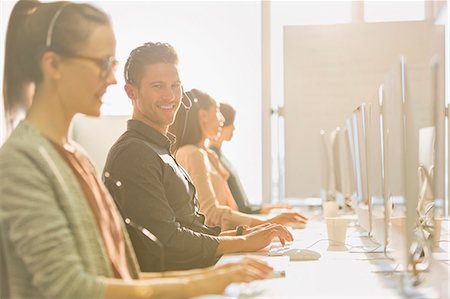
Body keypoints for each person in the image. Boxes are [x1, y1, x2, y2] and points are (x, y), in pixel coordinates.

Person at [0, 2, 273, 298]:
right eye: (102, 63)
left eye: (112, 65)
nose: (112, 78)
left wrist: (216, 274)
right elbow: (71, 288)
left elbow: (119, 271)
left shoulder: (76, 156)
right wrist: (199, 283)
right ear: (53, 65)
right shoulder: (22, 162)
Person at [103, 42, 293, 273]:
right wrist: (242, 242)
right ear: (131, 92)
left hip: (195, 273)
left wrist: (245, 233)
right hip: (177, 284)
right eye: (157, 86)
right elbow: (166, 243)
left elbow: (189, 228)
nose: (170, 95)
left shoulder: (161, 150)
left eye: (175, 85)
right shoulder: (133, 154)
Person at [170, 90, 307, 230]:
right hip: (218, 240)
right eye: (217, 111)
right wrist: (268, 223)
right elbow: (210, 212)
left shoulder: (204, 154)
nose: (222, 119)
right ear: (203, 116)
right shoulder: (193, 154)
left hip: (224, 236)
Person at [209, 102, 292, 214]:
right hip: (237, 218)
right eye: (231, 123)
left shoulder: (220, 156)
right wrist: (271, 209)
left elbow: (244, 205)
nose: (234, 128)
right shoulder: (211, 157)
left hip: (243, 214)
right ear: (222, 123)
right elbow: (240, 208)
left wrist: (272, 207)